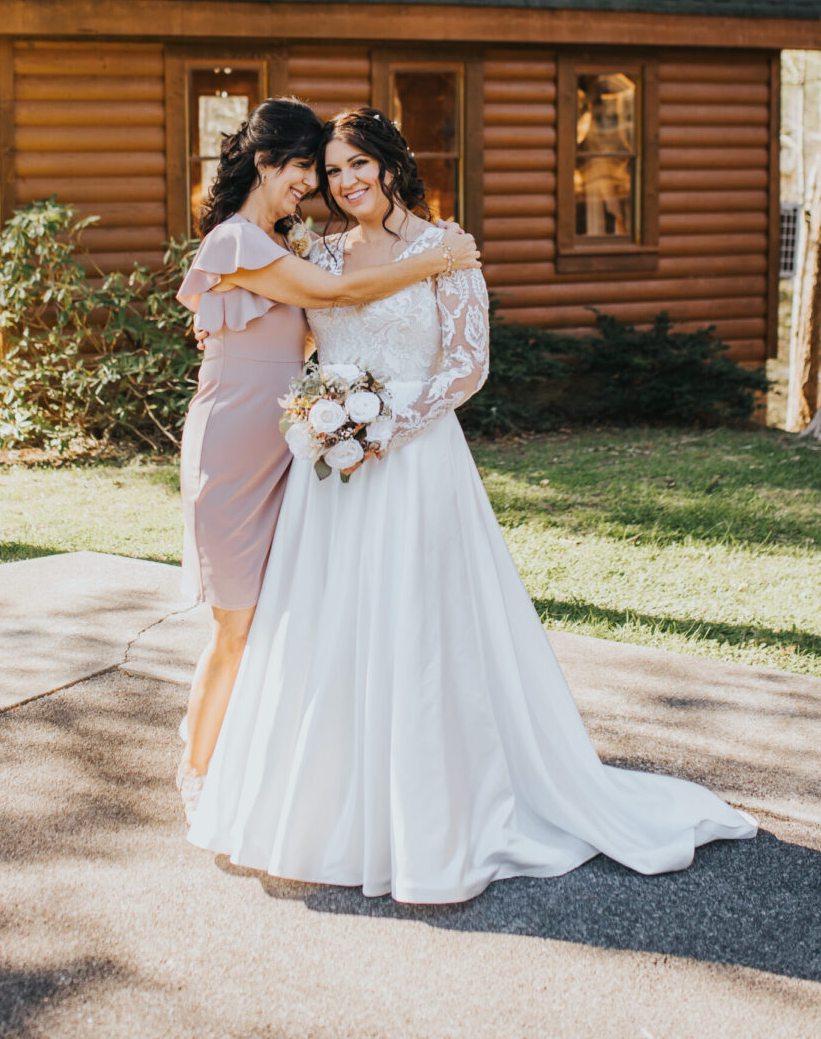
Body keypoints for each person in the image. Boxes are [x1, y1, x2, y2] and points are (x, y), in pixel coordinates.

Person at [186, 107, 756, 904]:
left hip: (415, 462)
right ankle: (325, 806)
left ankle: (440, 805)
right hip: (331, 474)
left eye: (357, 166)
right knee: (326, 630)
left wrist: (389, 424)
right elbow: (311, 332)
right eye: (331, 170)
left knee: (423, 631)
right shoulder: (316, 252)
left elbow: (468, 367)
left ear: (389, 166)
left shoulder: (448, 251)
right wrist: (329, 415)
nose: (344, 183)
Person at [175, 98, 480, 822]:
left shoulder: (280, 244)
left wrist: (343, 392)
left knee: (287, 613)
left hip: (289, 449)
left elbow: (319, 330)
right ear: (265, 162)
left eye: (334, 168)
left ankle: (262, 758)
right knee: (236, 625)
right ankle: (195, 765)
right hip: (232, 452)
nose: (314, 186)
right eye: (307, 168)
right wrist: (437, 258)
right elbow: (339, 293)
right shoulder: (235, 243)